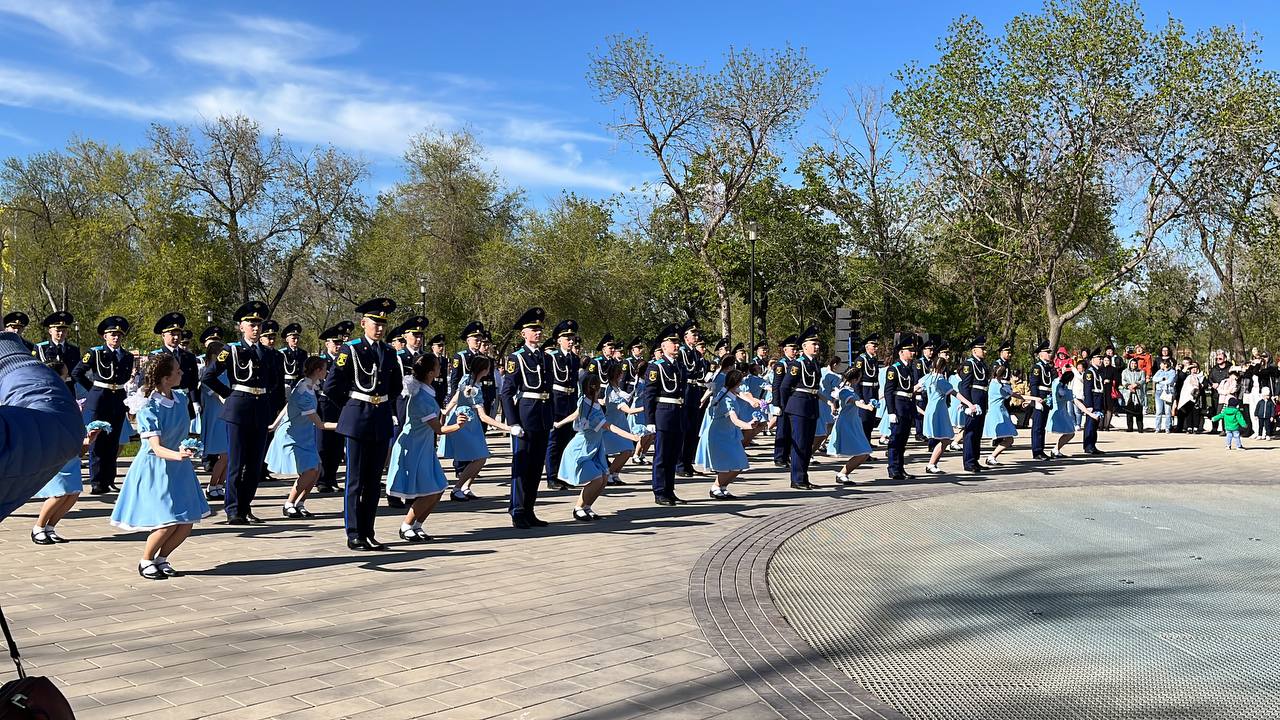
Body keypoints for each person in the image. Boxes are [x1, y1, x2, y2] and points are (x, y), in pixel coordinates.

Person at [108, 353, 211, 579]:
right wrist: (178, 455)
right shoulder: (148, 406)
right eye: (177, 370)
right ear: (165, 378)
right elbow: (154, 447)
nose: (182, 373)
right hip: (156, 467)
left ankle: (162, 559)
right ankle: (146, 560)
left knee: (186, 522)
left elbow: (183, 433)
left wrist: (189, 447)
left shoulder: (181, 399)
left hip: (179, 465)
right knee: (166, 522)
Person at [323, 298, 404, 550]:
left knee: (372, 481)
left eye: (383, 322)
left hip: (380, 419)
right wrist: (350, 410)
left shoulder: (390, 352)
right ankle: (354, 532)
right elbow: (332, 387)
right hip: (358, 417)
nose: (379, 327)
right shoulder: (351, 349)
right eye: (374, 322)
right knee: (355, 480)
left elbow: (396, 386)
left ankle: (368, 530)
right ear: (363, 323)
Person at [200, 301, 279, 524]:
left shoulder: (269, 353)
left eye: (258, 324)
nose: (255, 328)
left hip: (260, 408)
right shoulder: (231, 350)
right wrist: (229, 394)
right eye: (251, 323)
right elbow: (209, 376)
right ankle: (233, 509)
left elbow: (274, 382)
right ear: (241, 326)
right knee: (236, 461)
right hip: (238, 409)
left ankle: (246, 506)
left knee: (254, 464)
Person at [389, 354, 469, 541]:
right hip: (413, 447)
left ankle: (418, 525)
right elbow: (438, 429)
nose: (441, 368)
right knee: (430, 490)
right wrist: (458, 425)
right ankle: (405, 525)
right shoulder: (421, 398)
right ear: (431, 372)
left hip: (423, 446)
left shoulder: (427, 392)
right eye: (438, 366)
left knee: (439, 487)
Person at [29, 361, 102, 544]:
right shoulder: (44, 393)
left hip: (70, 445)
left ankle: (51, 527)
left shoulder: (65, 393)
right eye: (65, 375)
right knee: (59, 492)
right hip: (55, 446)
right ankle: (38, 527)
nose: (68, 378)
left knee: (73, 492)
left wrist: (86, 437)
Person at [553, 374, 640, 520]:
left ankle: (587, 506)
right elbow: (610, 427)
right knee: (597, 478)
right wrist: (632, 437)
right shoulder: (588, 406)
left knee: (604, 478)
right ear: (596, 388)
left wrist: (559, 423)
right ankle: (578, 507)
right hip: (582, 448)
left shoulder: (590, 402)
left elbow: (575, 414)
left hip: (595, 447)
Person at [500, 307, 554, 528]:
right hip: (525, 415)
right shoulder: (516, 358)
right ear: (524, 334)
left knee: (536, 467)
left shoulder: (545, 357)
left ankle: (530, 509)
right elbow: (507, 392)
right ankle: (517, 509)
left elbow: (549, 390)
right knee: (522, 466)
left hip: (542, 416)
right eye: (533, 329)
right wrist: (512, 422)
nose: (538, 333)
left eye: (539, 329)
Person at [267, 356, 337, 518]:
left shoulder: (308, 385)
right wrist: (347, 425)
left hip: (304, 435)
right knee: (309, 471)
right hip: (293, 436)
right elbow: (320, 425)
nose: (327, 371)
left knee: (316, 470)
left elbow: (288, 404)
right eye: (325, 368)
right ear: (318, 370)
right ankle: (289, 504)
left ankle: (300, 503)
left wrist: (273, 424)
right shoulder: (303, 391)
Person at [73, 316, 135, 494]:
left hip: (117, 400)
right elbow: (77, 373)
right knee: (97, 441)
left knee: (113, 442)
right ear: (105, 336)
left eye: (118, 335)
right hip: (99, 399)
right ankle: (97, 481)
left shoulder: (127, 356)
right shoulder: (95, 353)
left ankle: (109, 479)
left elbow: (124, 378)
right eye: (112, 334)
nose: (116, 338)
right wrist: (93, 389)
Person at [439, 354, 511, 502]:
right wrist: (507, 428)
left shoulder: (468, 380)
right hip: (466, 422)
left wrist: (447, 410)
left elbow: (456, 396)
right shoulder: (473, 386)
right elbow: (484, 416)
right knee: (480, 457)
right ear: (484, 370)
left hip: (469, 422)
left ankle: (465, 486)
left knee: (481, 457)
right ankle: (457, 488)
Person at [643, 325, 689, 506]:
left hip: (677, 414)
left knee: (673, 455)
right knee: (662, 456)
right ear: (663, 346)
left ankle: (670, 490)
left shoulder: (679, 366)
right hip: (663, 414)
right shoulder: (656, 367)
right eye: (673, 342)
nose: (677, 346)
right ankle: (660, 491)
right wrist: (650, 420)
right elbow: (649, 395)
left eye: (678, 342)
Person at [700, 369, 759, 499]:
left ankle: (723, 487)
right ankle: (715, 487)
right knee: (731, 464)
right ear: (736, 383)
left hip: (729, 433)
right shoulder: (727, 400)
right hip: (720, 435)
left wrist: (754, 401)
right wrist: (748, 425)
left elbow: (742, 394)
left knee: (739, 463)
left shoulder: (727, 392)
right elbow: (734, 420)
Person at [778, 326, 825, 489]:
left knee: (807, 444)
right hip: (799, 406)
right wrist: (786, 406)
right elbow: (784, 387)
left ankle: (804, 477)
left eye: (818, 344)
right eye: (813, 344)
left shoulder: (814, 363)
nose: (817, 347)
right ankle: (797, 479)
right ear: (804, 347)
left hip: (811, 404)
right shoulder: (798, 364)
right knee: (800, 443)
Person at [315, 321, 353, 494]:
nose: (338, 346)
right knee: (323, 444)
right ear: (327, 344)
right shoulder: (320, 361)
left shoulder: (345, 361)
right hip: (324, 404)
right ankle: (322, 479)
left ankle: (332, 477)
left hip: (341, 404)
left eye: (340, 343)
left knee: (337, 445)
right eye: (335, 342)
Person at [544, 319, 581, 491]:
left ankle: (563, 475)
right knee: (554, 441)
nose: (571, 340)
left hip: (570, 400)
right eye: (567, 337)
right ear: (559, 340)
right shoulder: (551, 357)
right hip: (557, 400)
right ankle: (552, 477)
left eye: (572, 337)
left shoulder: (574, 358)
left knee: (568, 441)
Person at [827, 367, 876, 483]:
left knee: (864, 452)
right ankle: (842, 474)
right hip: (847, 424)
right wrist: (866, 407)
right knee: (863, 451)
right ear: (855, 379)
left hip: (853, 422)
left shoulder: (848, 390)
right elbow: (854, 402)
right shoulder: (845, 391)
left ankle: (843, 474)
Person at [882, 335, 920, 481]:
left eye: (913, 350)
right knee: (895, 439)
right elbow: (888, 391)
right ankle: (893, 469)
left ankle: (900, 468)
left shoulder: (909, 368)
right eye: (909, 350)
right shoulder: (894, 369)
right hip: (898, 406)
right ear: (901, 352)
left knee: (903, 440)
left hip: (907, 406)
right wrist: (891, 411)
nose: (913, 352)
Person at [198, 327, 229, 500]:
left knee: (228, 455)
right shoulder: (207, 371)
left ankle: (219, 485)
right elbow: (211, 390)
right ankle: (212, 485)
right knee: (224, 455)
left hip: (226, 415)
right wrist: (224, 396)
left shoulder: (226, 372)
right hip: (216, 415)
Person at [151, 312, 201, 419]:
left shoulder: (189, 356)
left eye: (178, 334)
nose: (176, 337)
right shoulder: (156, 356)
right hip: (164, 400)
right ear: (163, 335)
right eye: (172, 334)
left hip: (184, 401)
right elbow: (149, 380)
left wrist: (195, 401)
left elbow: (193, 382)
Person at [676, 321, 710, 478]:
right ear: (685, 337)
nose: (696, 337)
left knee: (693, 430)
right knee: (684, 429)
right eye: (693, 334)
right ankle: (680, 463)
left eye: (697, 334)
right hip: (686, 390)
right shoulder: (682, 352)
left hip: (695, 390)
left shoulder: (696, 353)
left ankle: (688, 462)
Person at [957, 336, 990, 473]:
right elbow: (964, 386)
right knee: (970, 433)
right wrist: (968, 405)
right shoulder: (969, 364)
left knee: (978, 432)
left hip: (981, 399)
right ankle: (969, 462)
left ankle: (975, 460)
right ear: (974, 350)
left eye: (984, 349)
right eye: (982, 349)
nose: (984, 351)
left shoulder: (982, 364)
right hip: (973, 401)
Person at [982, 367, 1021, 467]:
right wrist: (1034, 398)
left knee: (1008, 439)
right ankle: (991, 457)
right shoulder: (998, 386)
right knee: (1009, 439)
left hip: (1000, 412)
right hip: (997, 414)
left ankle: (992, 457)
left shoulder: (996, 384)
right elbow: (1014, 395)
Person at [34, 311, 80, 396]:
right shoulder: (41, 348)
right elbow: (35, 371)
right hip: (48, 389)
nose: (61, 333)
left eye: (64, 330)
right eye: (58, 330)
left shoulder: (74, 349)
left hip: (68, 389)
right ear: (50, 331)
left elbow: (76, 371)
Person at [1046, 368, 1088, 457]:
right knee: (1070, 433)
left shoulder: (1055, 382)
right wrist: (1088, 412)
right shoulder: (1062, 388)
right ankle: (1055, 450)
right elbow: (1074, 400)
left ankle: (1056, 450)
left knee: (1069, 432)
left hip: (1059, 411)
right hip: (1060, 412)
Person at [770, 336, 798, 466]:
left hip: (794, 399)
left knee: (792, 429)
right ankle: (779, 457)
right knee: (782, 429)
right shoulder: (782, 364)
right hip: (784, 400)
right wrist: (776, 404)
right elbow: (776, 385)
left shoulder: (797, 363)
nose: (794, 351)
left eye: (795, 349)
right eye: (792, 349)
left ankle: (787, 456)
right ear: (785, 350)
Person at [852, 334, 881, 448]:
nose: (876, 348)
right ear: (866, 346)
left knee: (870, 420)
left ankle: (867, 442)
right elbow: (856, 380)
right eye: (873, 345)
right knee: (864, 420)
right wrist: (860, 397)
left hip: (873, 391)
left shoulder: (873, 360)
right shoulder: (861, 359)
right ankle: (862, 446)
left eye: (876, 346)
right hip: (864, 391)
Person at [1027, 341, 1054, 459]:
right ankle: (1037, 451)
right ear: (1040, 354)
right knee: (1037, 426)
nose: (1049, 354)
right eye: (1047, 352)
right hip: (1040, 397)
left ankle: (1041, 449)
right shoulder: (1037, 367)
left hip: (1046, 396)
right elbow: (1033, 384)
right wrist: (1035, 400)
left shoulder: (1047, 367)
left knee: (1042, 426)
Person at [1080, 351, 1107, 454]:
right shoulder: (1089, 373)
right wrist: (1089, 405)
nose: (1100, 360)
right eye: (1098, 358)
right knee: (1090, 424)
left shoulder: (1098, 371)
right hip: (1093, 399)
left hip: (1098, 399)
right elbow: (1087, 389)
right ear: (1092, 360)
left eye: (1101, 358)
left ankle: (1093, 445)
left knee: (1095, 424)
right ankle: (1088, 446)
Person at [1207, 350, 1231, 434]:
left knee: (1225, 411)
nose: (1218, 359)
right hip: (1215, 393)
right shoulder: (1214, 368)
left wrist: (1221, 383)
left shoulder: (1230, 367)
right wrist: (1212, 384)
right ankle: (1214, 428)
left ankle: (1225, 429)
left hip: (1225, 394)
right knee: (1214, 411)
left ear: (1225, 358)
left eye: (1220, 358)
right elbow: (1209, 378)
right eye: (1217, 358)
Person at [1120, 358, 1147, 432]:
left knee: (1139, 411)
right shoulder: (1125, 372)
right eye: (1132, 363)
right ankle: (1130, 427)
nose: (1134, 365)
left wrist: (1136, 384)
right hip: (1128, 393)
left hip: (1138, 393)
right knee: (1129, 411)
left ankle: (1140, 428)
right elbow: (1123, 380)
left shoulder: (1141, 371)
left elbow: (1143, 380)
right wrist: (1129, 386)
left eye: (1135, 363)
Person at [280, 323, 308, 390]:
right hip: (286, 383)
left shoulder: (303, 353)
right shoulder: (282, 353)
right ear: (287, 340)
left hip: (299, 384)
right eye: (293, 338)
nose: (296, 341)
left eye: (297, 338)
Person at [1152, 358, 1176, 433]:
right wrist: (1162, 379)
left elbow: (1170, 381)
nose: (1160, 365)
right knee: (1158, 411)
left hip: (1168, 392)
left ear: (1165, 364)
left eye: (1161, 364)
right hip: (1159, 392)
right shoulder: (1159, 371)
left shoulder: (1172, 372)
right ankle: (1157, 428)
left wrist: (1161, 382)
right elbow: (1154, 379)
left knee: (1167, 411)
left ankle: (1167, 428)